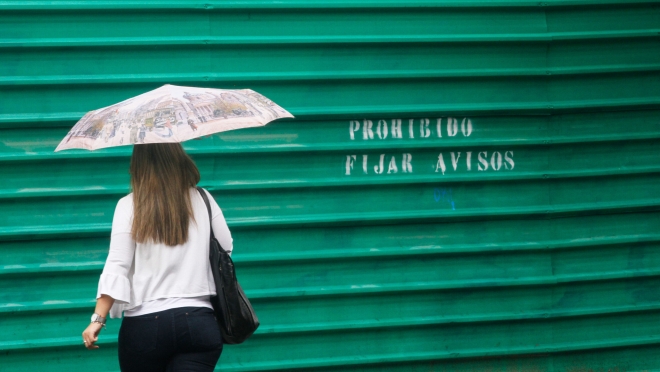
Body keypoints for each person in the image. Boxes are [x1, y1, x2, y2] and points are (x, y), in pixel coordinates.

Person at [81, 143, 233, 372]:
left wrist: (97, 320)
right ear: (178, 158)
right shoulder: (203, 199)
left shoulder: (128, 205)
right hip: (198, 322)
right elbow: (226, 248)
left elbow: (117, 265)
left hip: (145, 328)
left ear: (138, 164)